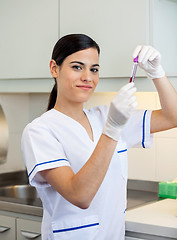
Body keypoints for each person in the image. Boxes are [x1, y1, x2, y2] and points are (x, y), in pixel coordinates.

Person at [21, 34, 177, 240]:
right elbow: (80, 195)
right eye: (77, 67)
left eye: (94, 69)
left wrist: (157, 74)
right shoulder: (40, 131)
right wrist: (112, 129)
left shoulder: (105, 116)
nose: (87, 77)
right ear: (54, 68)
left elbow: (171, 117)